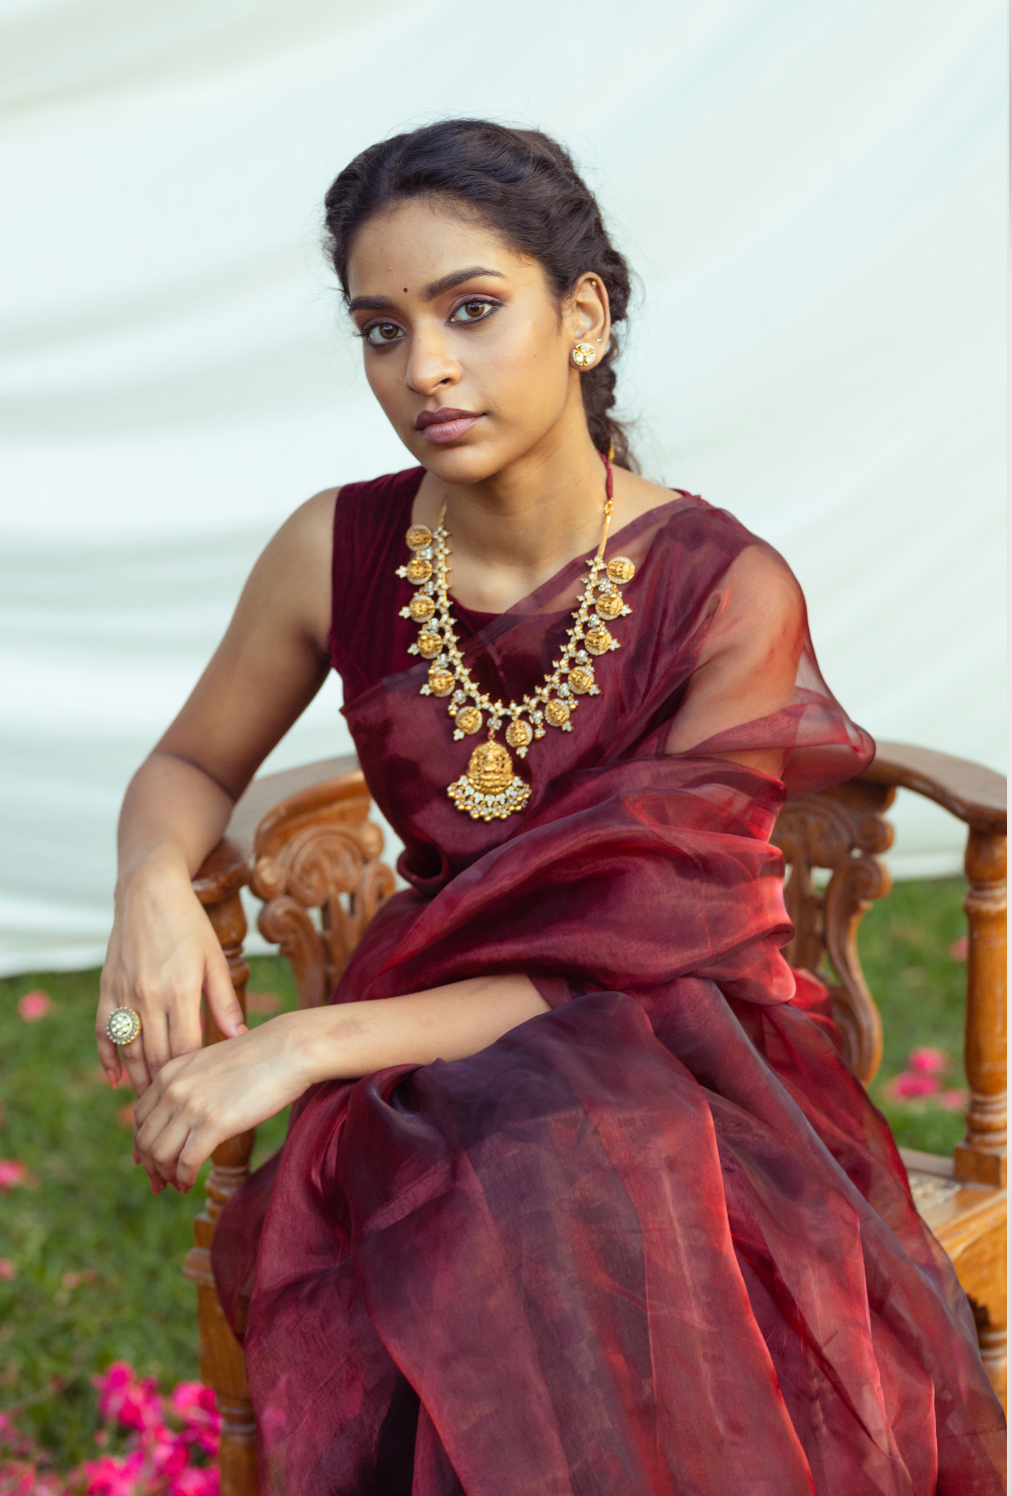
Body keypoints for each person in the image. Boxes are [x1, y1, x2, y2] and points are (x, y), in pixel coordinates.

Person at [97, 120, 1004, 1495]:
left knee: (571, 1176)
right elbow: (186, 768)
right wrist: (152, 892)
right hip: (435, 1030)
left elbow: (633, 947)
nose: (426, 369)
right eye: (381, 328)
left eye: (471, 311)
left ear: (583, 316)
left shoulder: (724, 586)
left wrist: (301, 1045)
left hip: (687, 1032)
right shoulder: (332, 547)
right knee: (493, 1170)